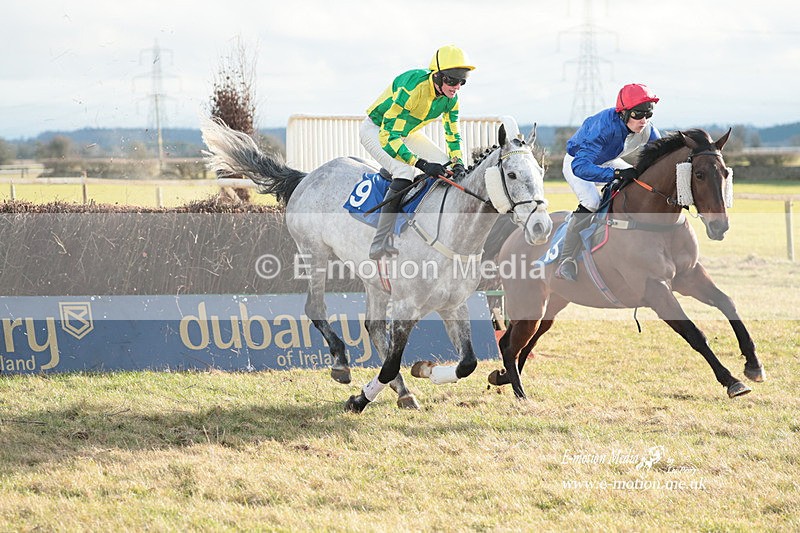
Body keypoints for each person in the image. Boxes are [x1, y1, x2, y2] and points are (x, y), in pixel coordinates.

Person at [360, 44, 474, 260]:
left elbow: (453, 134)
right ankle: (379, 241)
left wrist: (458, 161)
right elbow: (388, 136)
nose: (456, 86)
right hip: (377, 130)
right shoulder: (412, 87)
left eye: (462, 81)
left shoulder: (452, 100)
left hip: (407, 133)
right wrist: (420, 163)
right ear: (437, 76)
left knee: (447, 168)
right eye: (451, 80)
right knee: (404, 171)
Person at [555, 83, 661, 281]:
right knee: (592, 202)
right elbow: (581, 167)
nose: (644, 120)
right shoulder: (603, 129)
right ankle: (566, 260)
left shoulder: (647, 130)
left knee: (637, 181)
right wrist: (616, 174)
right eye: (638, 114)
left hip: (608, 159)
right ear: (623, 113)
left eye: (649, 114)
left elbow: (661, 156)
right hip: (578, 162)